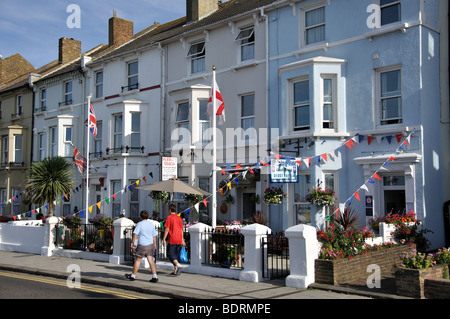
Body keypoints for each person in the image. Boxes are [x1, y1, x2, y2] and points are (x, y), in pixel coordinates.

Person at [125, 210, 158, 283]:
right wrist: (155, 244)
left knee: (138, 260)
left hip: (142, 244)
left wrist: (132, 242)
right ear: (147, 216)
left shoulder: (139, 224)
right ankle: (154, 276)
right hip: (150, 244)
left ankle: (133, 275)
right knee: (151, 260)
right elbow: (154, 235)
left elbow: (135, 234)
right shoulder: (151, 224)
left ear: (140, 217)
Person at [163, 204, 185, 276]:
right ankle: (175, 271)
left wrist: (164, 239)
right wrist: (182, 240)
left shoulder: (169, 218)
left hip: (172, 239)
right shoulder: (179, 218)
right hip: (179, 239)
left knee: (170, 254)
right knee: (176, 255)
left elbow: (167, 229)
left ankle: (178, 266)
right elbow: (182, 230)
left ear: (169, 210)